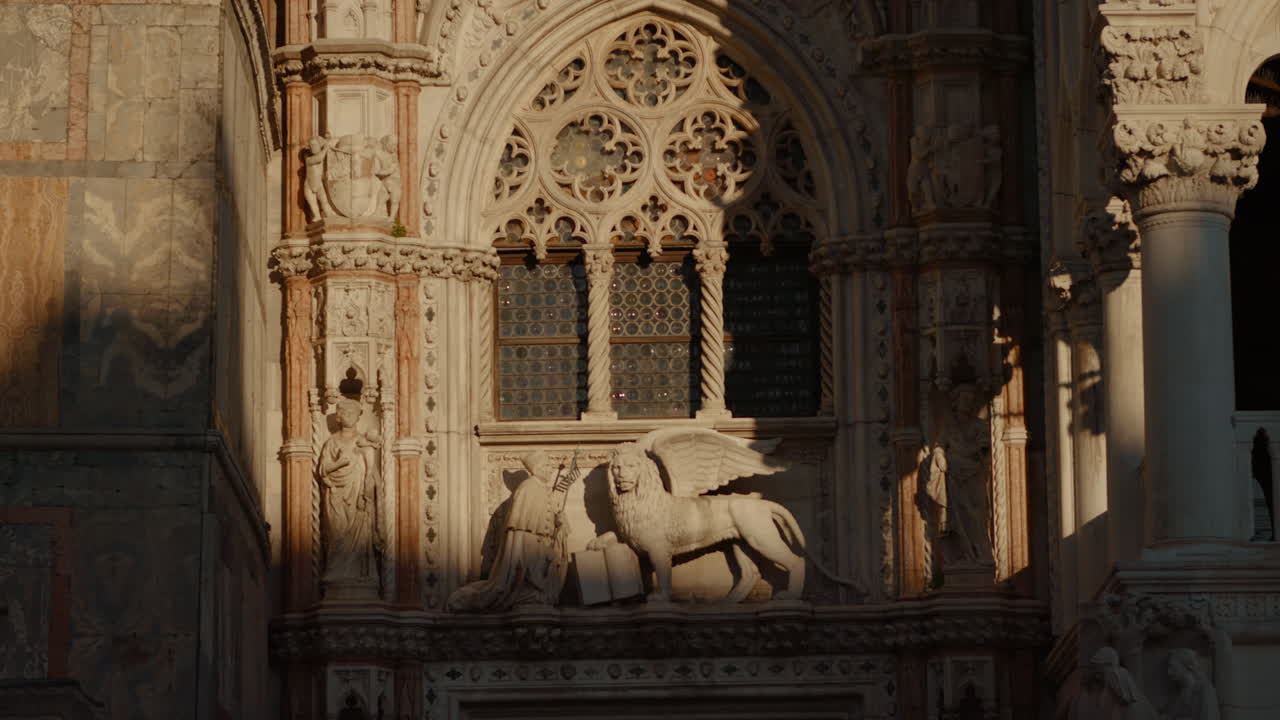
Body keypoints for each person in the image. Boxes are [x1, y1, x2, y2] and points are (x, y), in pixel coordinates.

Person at [447, 450, 569, 611]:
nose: (550, 469)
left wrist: (559, 524)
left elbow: (551, 526)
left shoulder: (543, 491)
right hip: (530, 549)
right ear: (537, 468)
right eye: (547, 465)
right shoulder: (527, 489)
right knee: (523, 586)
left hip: (543, 549)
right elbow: (520, 529)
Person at [318, 398, 383, 590]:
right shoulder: (331, 442)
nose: (349, 417)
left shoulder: (363, 442)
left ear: (358, 416)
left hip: (359, 497)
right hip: (336, 495)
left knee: (360, 536)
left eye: (352, 413)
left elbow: (371, 472)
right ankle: (334, 574)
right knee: (336, 533)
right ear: (338, 417)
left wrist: (367, 495)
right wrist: (339, 463)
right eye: (344, 413)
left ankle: (362, 576)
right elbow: (323, 469)